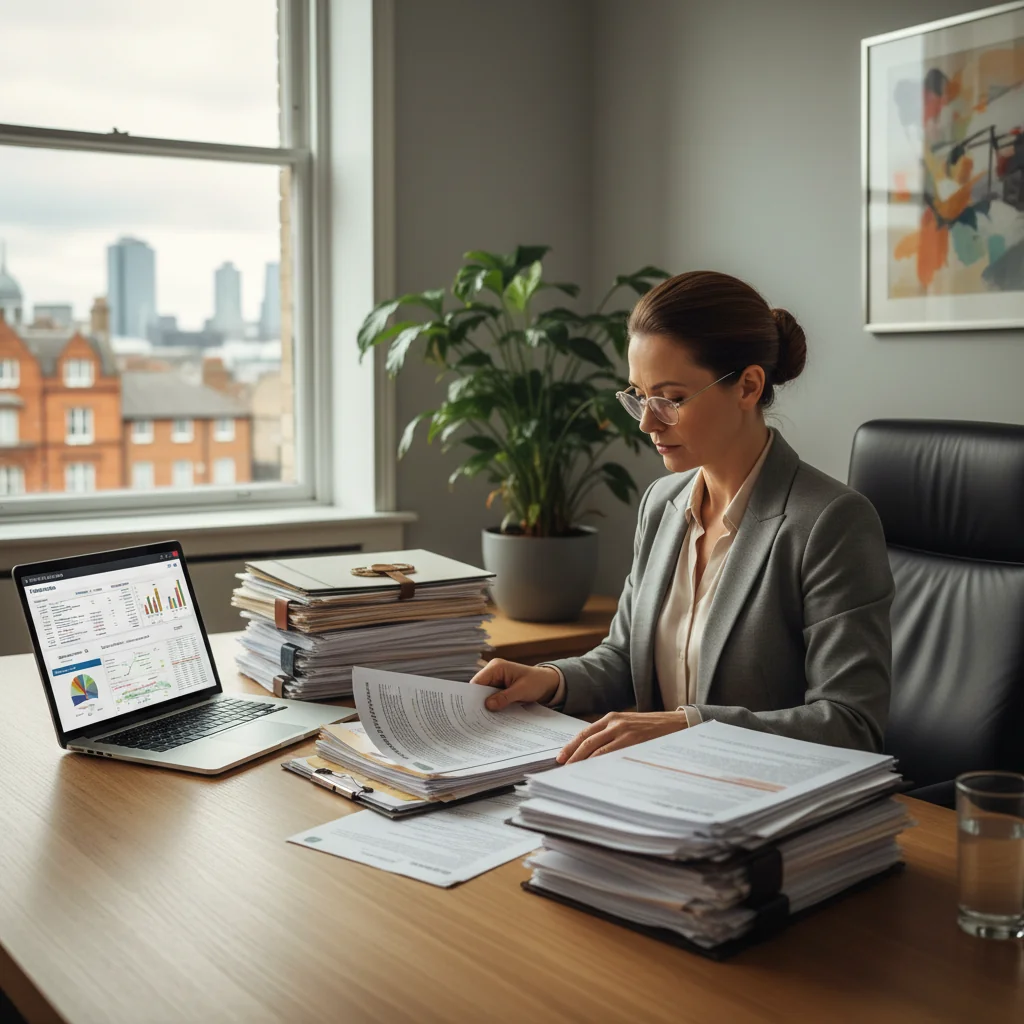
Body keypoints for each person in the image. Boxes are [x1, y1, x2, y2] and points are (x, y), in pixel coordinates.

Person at [471, 270, 894, 763]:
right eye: (637, 396)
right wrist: (550, 679)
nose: (648, 422)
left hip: (763, 803)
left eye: (670, 399)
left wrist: (690, 726)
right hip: (663, 788)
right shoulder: (662, 503)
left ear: (748, 386)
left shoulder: (829, 522)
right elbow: (625, 657)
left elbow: (850, 723)